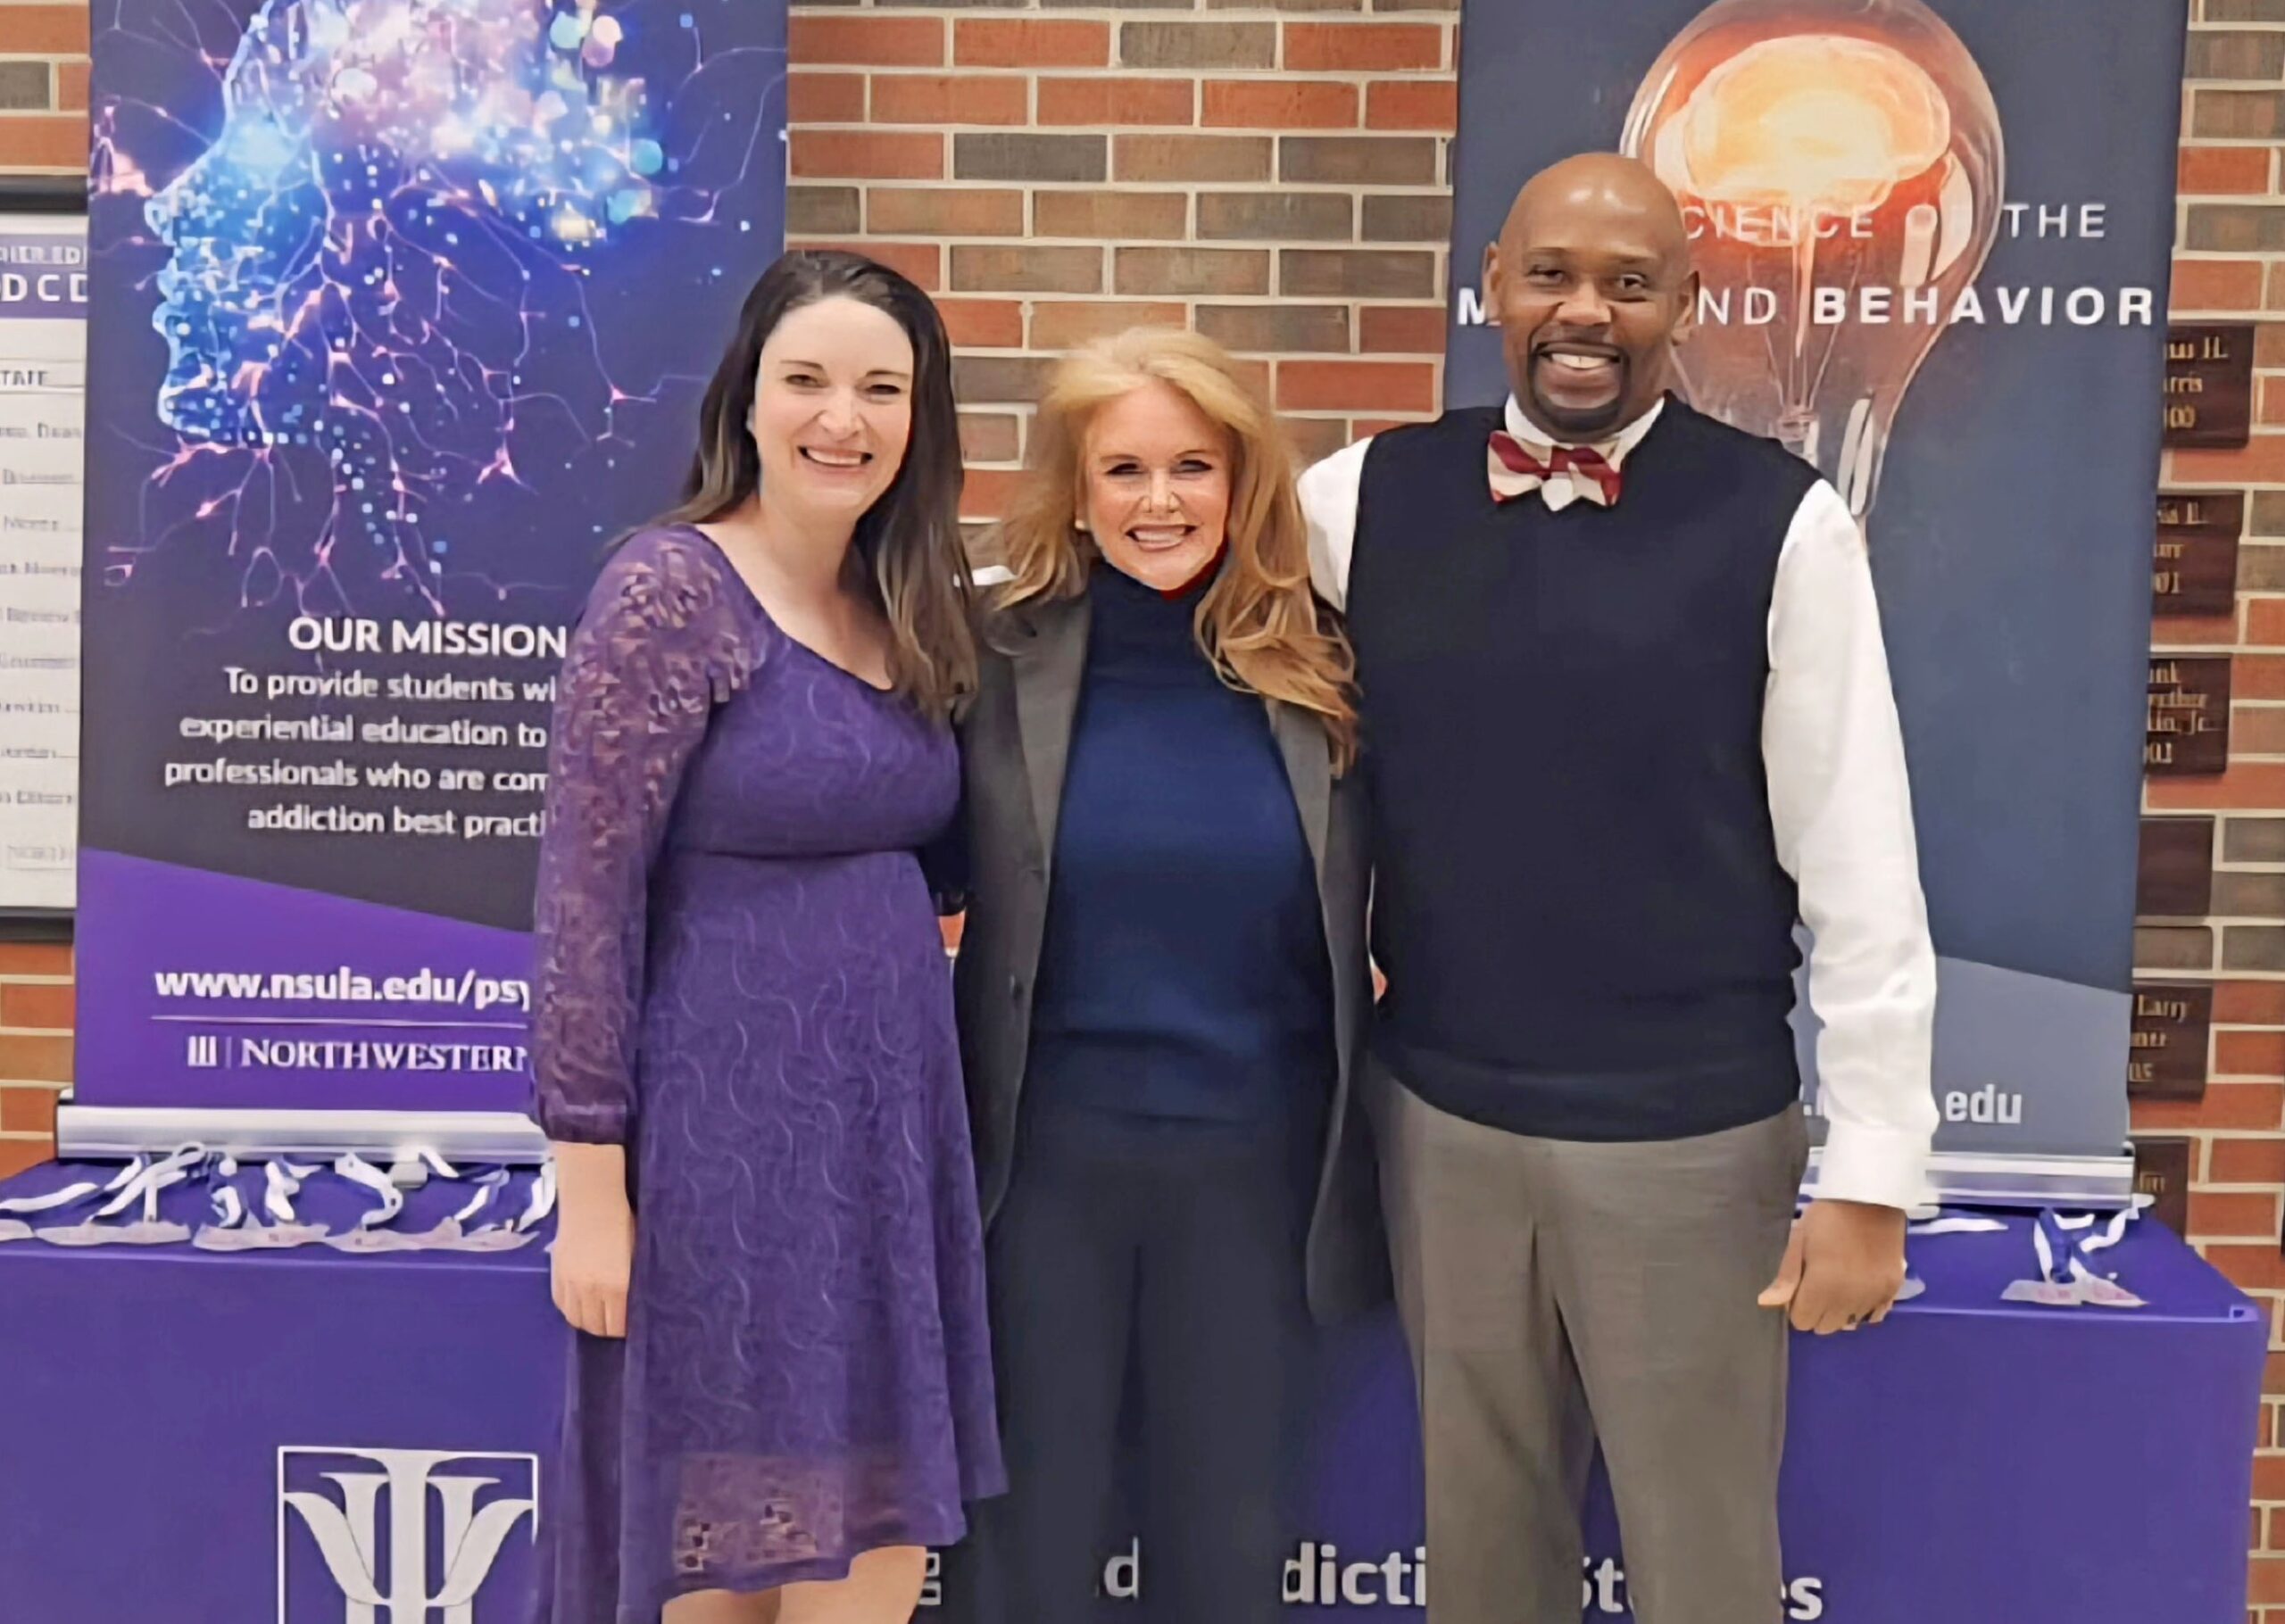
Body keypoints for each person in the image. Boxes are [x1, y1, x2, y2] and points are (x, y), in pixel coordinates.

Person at [1296, 153, 1939, 1624]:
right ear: (1492, 290)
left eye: (1630, 285)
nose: (1586, 312)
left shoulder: (1784, 523)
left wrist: (1871, 1172)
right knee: (1480, 1549)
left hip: (1692, 1141)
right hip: (1440, 1120)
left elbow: (1860, 855)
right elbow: (1170, 600)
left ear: (1684, 309)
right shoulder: (1361, 498)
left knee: (1703, 1558)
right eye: (1551, 275)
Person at [529, 249, 1004, 1624]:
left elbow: (961, 858)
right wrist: (593, 1196)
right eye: (806, 381)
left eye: (880, 388)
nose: (840, 419)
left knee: (868, 1558)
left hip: (880, 1152)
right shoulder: (670, 592)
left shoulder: (914, 608)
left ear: (921, 419)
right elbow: (584, 902)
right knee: (711, 1574)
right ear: (747, 401)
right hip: (714, 1162)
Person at [937, 329, 1384, 1624]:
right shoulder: (991, 655)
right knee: (1023, 1557)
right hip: (1038, 1182)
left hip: (1256, 1179)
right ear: (1072, 490)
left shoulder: (1333, 668)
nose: (1158, 501)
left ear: (1247, 480)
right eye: (1122, 468)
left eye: (1194, 466)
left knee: (1228, 1554)